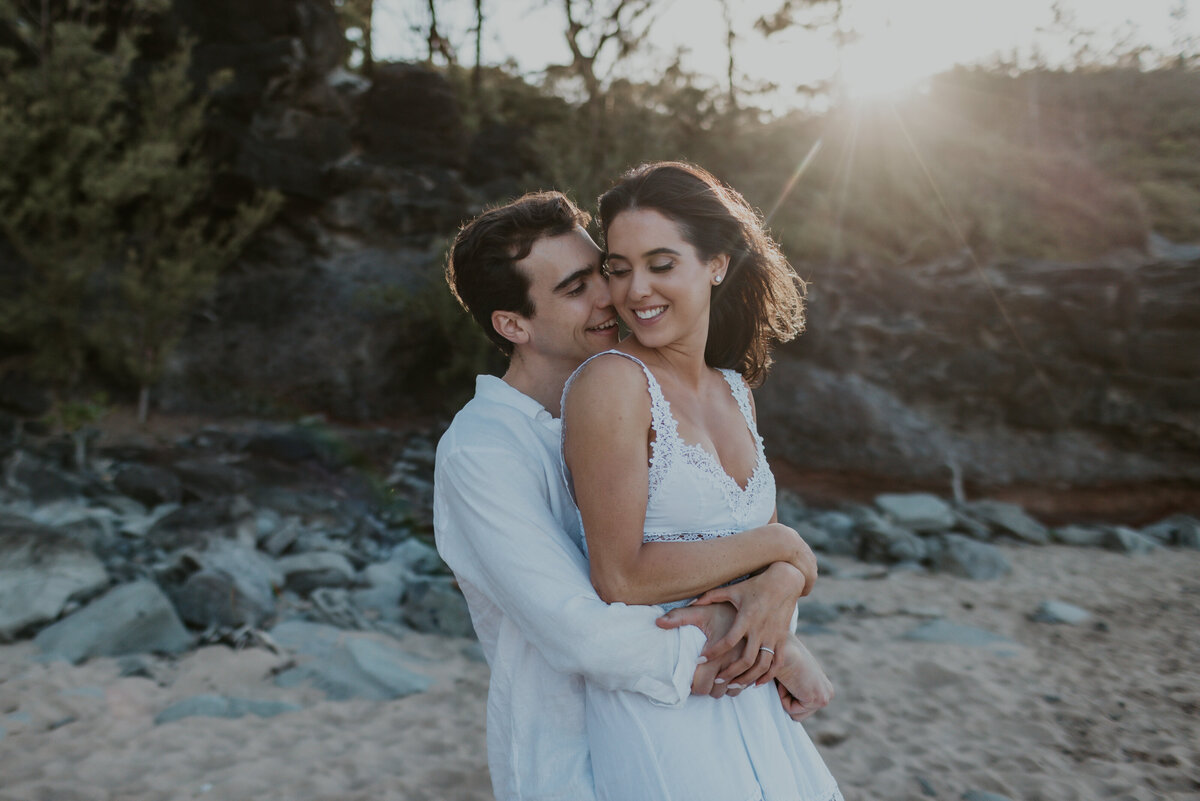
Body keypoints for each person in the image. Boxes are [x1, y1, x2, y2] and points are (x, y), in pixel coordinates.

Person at [433, 190, 830, 801]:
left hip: (731, 726)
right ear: (514, 325)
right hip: (578, 758)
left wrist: (778, 583)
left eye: (604, 272)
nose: (612, 296)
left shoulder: (651, 395)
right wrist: (752, 641)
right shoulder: (484, 451)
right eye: (574, 288)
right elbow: (582, 630)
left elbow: (723, 549)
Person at [561, 162, 842, 801]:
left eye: (661, 264)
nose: (635, 290)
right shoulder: (612, 383)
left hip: (751, 693)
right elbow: (621, 575)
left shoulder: (735, 389)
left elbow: (749, 547)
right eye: (619, 267)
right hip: (666, 711)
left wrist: (785, 575)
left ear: (716, 263)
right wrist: (784, 546)